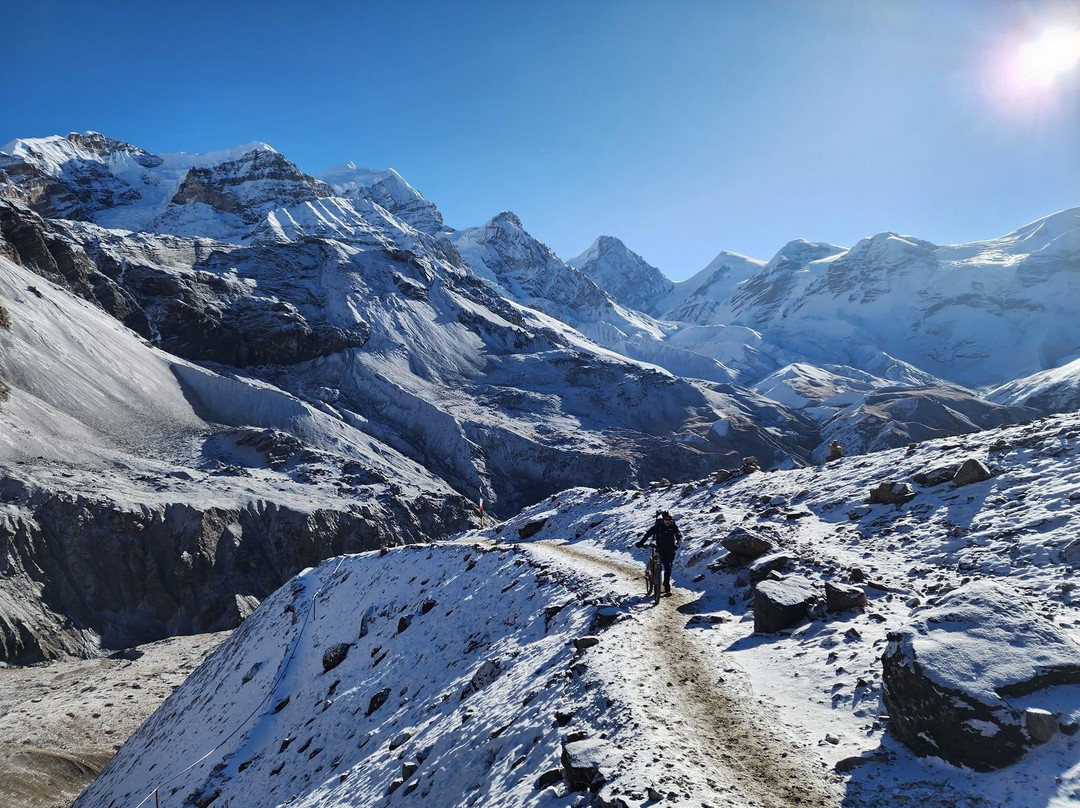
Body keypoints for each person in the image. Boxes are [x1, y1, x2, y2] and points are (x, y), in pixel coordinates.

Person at [636, 510, 682, 596]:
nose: (668, 521)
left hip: (670, 550)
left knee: (668, 569)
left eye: (669, 519)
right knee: (659, 564)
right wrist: (641, 542)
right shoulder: (658, 526)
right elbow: (648, 534)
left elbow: (679, 536)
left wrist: (677, 544)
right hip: (660, 549)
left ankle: (666, 586)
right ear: (663, 519)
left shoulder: (673, 526)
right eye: (666, 519)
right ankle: (654, 575)